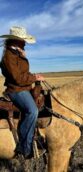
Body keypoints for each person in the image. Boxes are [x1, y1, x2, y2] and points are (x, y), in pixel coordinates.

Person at [0, 26, 44, 158]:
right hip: (16, 90)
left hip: (24, 87)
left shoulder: (17, 53)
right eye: (23, 40)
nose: (25, 43)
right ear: (15, 41)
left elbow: (23, 73)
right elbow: (17, 78)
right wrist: (34, 78)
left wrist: (34, 75)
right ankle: (24, 147)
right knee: (32, 111)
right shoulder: (9, 56)